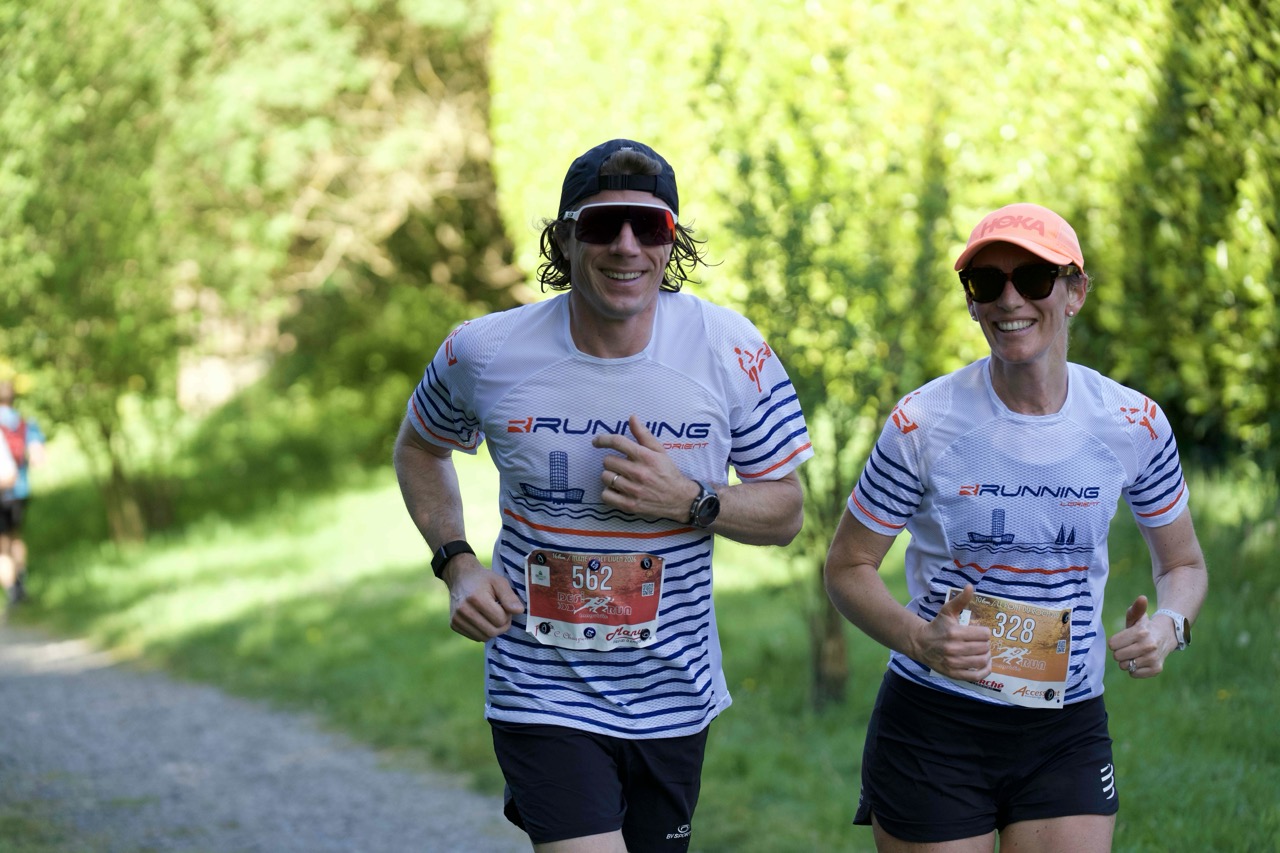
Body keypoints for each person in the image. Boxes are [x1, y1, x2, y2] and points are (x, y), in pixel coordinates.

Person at [393, 138, 814, 852]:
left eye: (648, 226)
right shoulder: (485, 351)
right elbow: (420, 446)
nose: (626, 246)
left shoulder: (727, 348)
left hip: (674, 693)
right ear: (564, 239)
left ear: (670, 241)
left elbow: (787, 511)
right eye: (601, 225)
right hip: (539, 686)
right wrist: (456, 562)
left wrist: (691, 500)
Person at [823, 202, 1208, 852]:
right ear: (971, 303)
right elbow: (846, 568)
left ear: (1075, 291)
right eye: (986, 282)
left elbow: (1184, 565)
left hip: (1067, 726)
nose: (1009, 299)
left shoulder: (1133, 423)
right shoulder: (923, 422)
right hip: (935, 722)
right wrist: (921, 639)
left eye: (1033, 278)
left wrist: (1170, 625)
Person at [0, 380, 45, 607]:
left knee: (2, 545)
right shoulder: (25, 423)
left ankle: (12, 594)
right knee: (16, 537)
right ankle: (21, 584)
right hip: (19, 490)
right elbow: (38, 457)